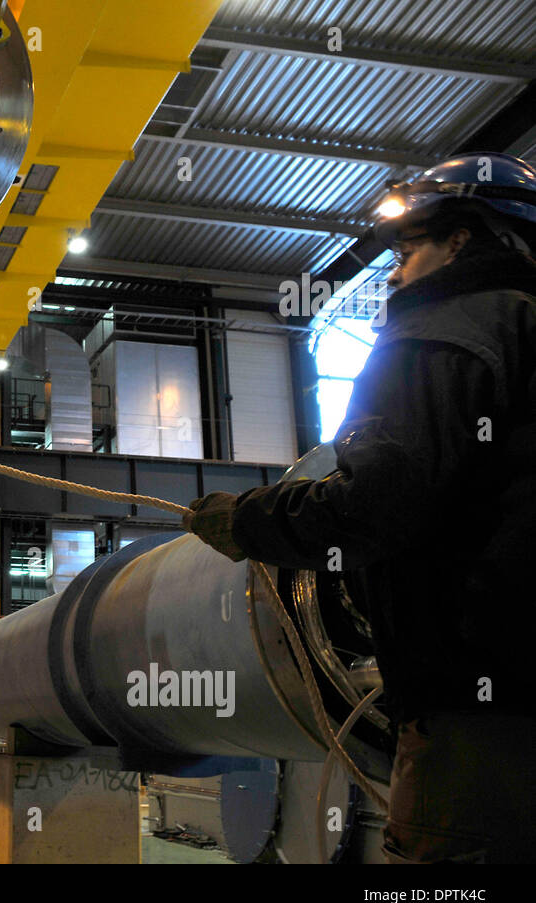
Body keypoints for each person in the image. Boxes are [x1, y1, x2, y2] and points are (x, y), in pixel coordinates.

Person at [182, 151, 536, 863]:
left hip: (474, 705)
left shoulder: (444, 328)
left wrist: (247, 520)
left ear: (463, 239)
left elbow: (377, 505)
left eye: (408, 249)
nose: (396, 273)